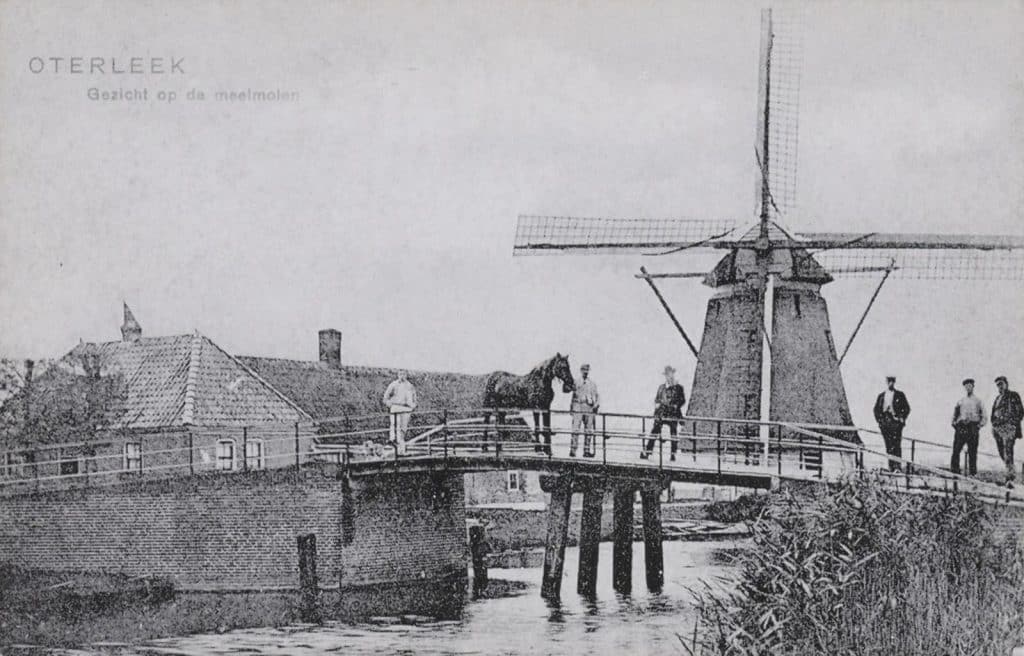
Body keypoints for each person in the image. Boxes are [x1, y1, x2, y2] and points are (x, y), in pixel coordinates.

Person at [642, 365, 686, 461]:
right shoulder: (661, 388)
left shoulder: (678, 388)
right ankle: (648, 451)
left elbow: (682, 400)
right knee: (654, 431)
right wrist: (658, 404)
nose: (668, 376)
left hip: (673, 413)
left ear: (672, 374)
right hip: (661, 413)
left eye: (670, 374)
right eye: (667, 374)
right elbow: (657, 399)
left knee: (673, 433)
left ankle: (673, 454)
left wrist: (676, 405)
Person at [872, 376, 911, 472]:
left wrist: (901, 419)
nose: (891, 383)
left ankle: (897, 467)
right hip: (885, 422)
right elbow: (876, 409)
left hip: (895, 422)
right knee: (888, 445)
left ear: (894, 382)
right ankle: (891, 467)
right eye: (889, 381)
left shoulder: (900, 395)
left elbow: (907, 408)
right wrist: (880, 421)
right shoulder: (881, 396)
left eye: (892, 381)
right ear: (886, 382)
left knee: (896, 444)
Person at [991, 376, 1023, 484]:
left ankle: (1010, 479)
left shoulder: (1013, 395)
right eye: (998, 385)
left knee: (1008, 451)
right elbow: (993, 413)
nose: (1000, 386)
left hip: (1008, 427)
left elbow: (1020, 412)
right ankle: (1010, 470)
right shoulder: (997, 398)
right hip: (998, 428)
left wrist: (1012, 423)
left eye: (1001, 384)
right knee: (1002, 452)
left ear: (1006, 384)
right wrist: (994, 423)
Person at [951, 378, 986, 476]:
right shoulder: (961, 401)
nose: (968, 388)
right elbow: (955, 414)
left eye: (970, 385)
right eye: (966, 386)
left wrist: (978, 426)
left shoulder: (978, 401)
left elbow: (984, 416)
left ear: (973, 387)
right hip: (961, 427)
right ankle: (954, 472)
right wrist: (955, 424)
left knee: (972, 451)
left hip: (973, 427)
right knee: (956, 449)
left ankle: (972, 474)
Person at [383, 371, 417, 455]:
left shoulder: (409, 385)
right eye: (400, 374)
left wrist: (413, 406)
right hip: (396, 407)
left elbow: (414, 396)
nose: (402, 376)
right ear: (398, 375)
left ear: (406, 375)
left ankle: (401, 445)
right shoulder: (393, 384)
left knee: (403, 428)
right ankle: (393, 442)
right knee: (395, 425)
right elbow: (386, 397)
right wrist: (390, 405)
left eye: (404, 374)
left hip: (406, 408)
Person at [569, 364, 600, 458]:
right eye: (583, 370)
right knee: (575, 429)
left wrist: (596, 405)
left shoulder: (592, 383)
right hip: (578, 406)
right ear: (580, 370)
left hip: (588, 407)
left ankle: (586, 451)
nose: (585, 372)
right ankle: (573, 450)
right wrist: (571, 408)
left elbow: (597, 396)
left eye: (587, 370)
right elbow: (572, 395)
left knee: (588, 430)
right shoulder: (576, 382)